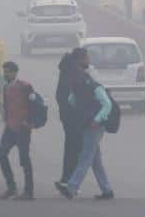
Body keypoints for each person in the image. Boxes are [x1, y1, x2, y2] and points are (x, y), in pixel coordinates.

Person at [56, 60, 114, 201]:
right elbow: (71, 100)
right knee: (95, 161)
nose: (74, 79)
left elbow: (107, 104)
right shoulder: (79, 87)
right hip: (87, 125)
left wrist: (97, 119)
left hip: (95, 127)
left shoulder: (95, 87)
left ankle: (71, 188)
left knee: (85, 157)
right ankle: (107, 190)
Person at [0, 61, 34, 200]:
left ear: (15, 72)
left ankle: (29, 191)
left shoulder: (25, 87)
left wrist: (29, 121)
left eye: (7, 72)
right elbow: (6, 106)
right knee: (1, 153)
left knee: (24, 159)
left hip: (23, 128)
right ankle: (11, 187)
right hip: (10, 127)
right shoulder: (6, 87)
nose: (5, 74)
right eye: (4, 72)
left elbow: (35, 104)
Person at [56, 48, 87, 186]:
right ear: (80, 59)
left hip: (67, 116)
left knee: (71, 148)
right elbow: (78, 96)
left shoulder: (67, 70)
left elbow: (59, 95)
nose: (89, 60)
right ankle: (70, 182)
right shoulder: (76, 73)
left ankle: (67, 179)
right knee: (76, 150)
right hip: (74, 118)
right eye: (87, 58)